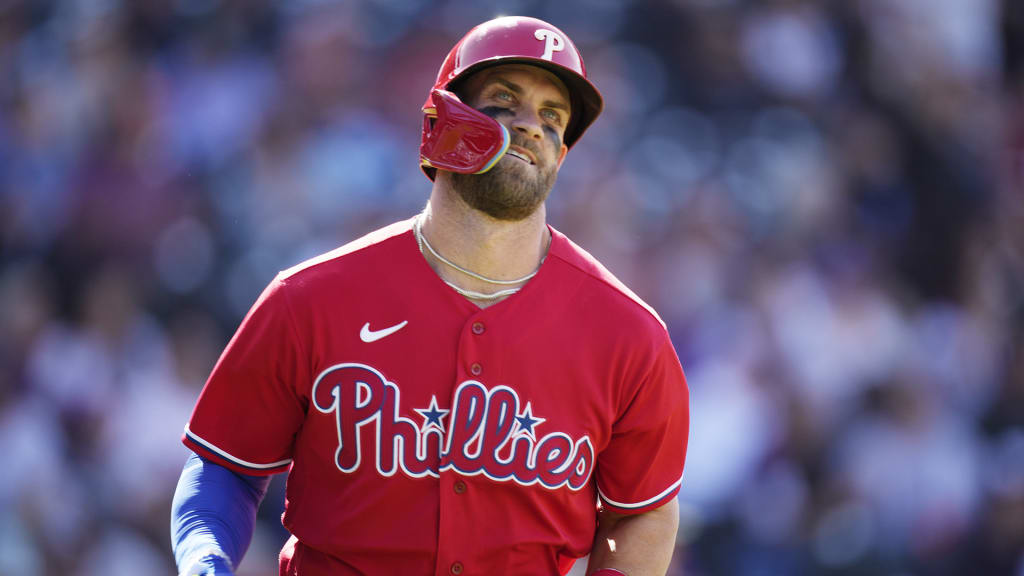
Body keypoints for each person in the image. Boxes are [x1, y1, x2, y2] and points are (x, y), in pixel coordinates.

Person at [171, 16, 689, 576]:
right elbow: (226, 466)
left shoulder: (629, 335)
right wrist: (206, 562)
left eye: (552, 117)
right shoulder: (309, 300)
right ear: (443, 119)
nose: (531, 126)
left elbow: (642, 513)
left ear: (561, 154)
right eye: (504, 101)